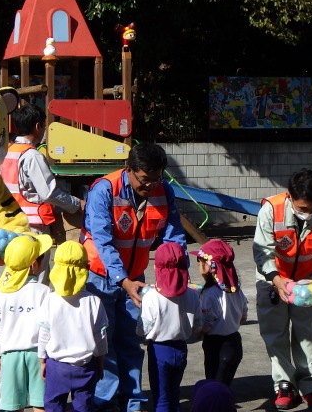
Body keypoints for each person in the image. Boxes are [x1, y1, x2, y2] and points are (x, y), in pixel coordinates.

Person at [80, 142, 187, 412]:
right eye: (145, 179)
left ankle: (133, 401)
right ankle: (105, 403)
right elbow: (102, 240)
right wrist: (123, 280)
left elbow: (173, 236)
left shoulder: (164, 191)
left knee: (131, 340)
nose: (150, 186)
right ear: (128, 169)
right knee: (104, 343)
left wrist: (177, 273)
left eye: (156, 179)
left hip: (136, 278)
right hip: (100, 277)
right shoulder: (104, 190)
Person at [252, 168, 312, 410]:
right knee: (275, 333)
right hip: (273, 280)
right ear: (289, 197)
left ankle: (309, 386)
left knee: (307, 333)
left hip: (308, 281)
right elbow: (262, 251)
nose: (308, 212)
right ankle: (284, 385)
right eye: (303, 208)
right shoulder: (270, 210)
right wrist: (276, 279)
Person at [0, 103, 84, 306]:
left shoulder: (6, 153)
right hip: (32, 228)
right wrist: (77, 204)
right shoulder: (31, 156)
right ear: (38, 126)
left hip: (6, 225)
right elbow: (49, 192)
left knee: (10, 275)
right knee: (37, 279)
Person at [37, 241, 108, 412]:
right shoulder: (94, 301)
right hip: (85, 367)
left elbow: (44, 334)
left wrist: (42, 360)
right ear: (86, 269)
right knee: (84, 406)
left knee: (53, 406)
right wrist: (100, 363)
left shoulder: (50, 300)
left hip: (56, 366)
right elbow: (101, 337)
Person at [0, 234, 53, 412]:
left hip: (10, 355)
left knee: (12, 406)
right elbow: (50, 326)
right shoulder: (44, 292)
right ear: (34, 264)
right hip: (39, 355)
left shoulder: (0, 293)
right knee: (41, 404)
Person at [136, 242, 202, 412]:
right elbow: (198, 325)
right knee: (174, 394)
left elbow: (143, 328)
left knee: (161, 397)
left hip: (159, 350)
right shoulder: (192, 294)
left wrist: (139, 332)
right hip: (181, 348)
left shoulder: (151, 297)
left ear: (156, 267)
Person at [190, 239, 248, 386]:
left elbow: (206, 324)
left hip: (216, 346)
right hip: (234, 342)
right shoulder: (236, 290)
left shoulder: (209, 294)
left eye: (199, 262)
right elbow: (243, 317)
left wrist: (195, 332)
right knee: (225, 384)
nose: (198, 265)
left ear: (209, 265)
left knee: (214, 386)